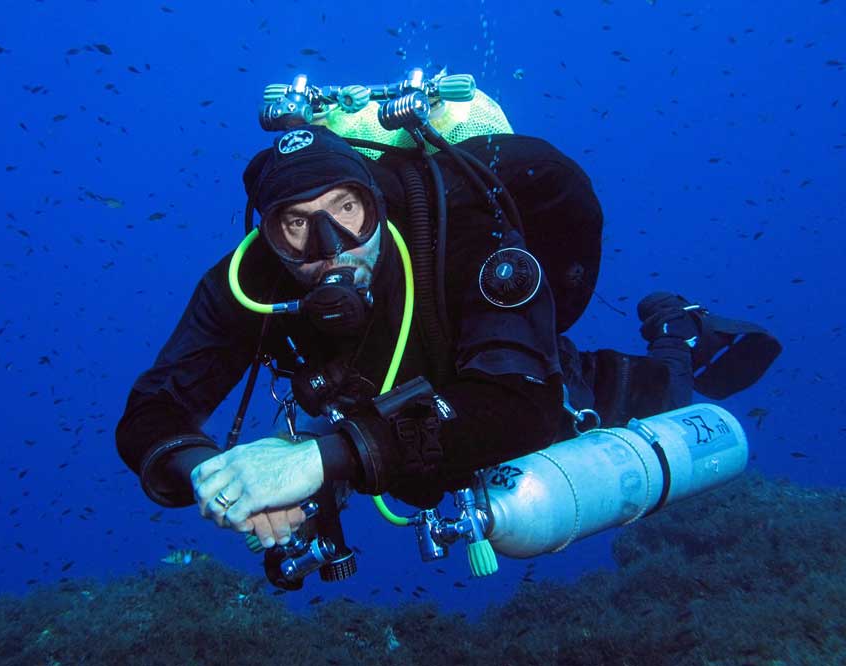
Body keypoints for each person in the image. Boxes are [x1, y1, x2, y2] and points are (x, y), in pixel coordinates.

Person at [115, 124, 780, 555]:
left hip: (503, 376)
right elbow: (152, 411)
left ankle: (677, 330)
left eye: (347, 211)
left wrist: (312, 461)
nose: (331, 248)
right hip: (395, 439)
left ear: (373, 199)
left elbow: (522, 407)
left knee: (655, 393)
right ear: (266, 233)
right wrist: (216, 477)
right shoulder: (248, 284)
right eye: (296, 225)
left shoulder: (460, 238)